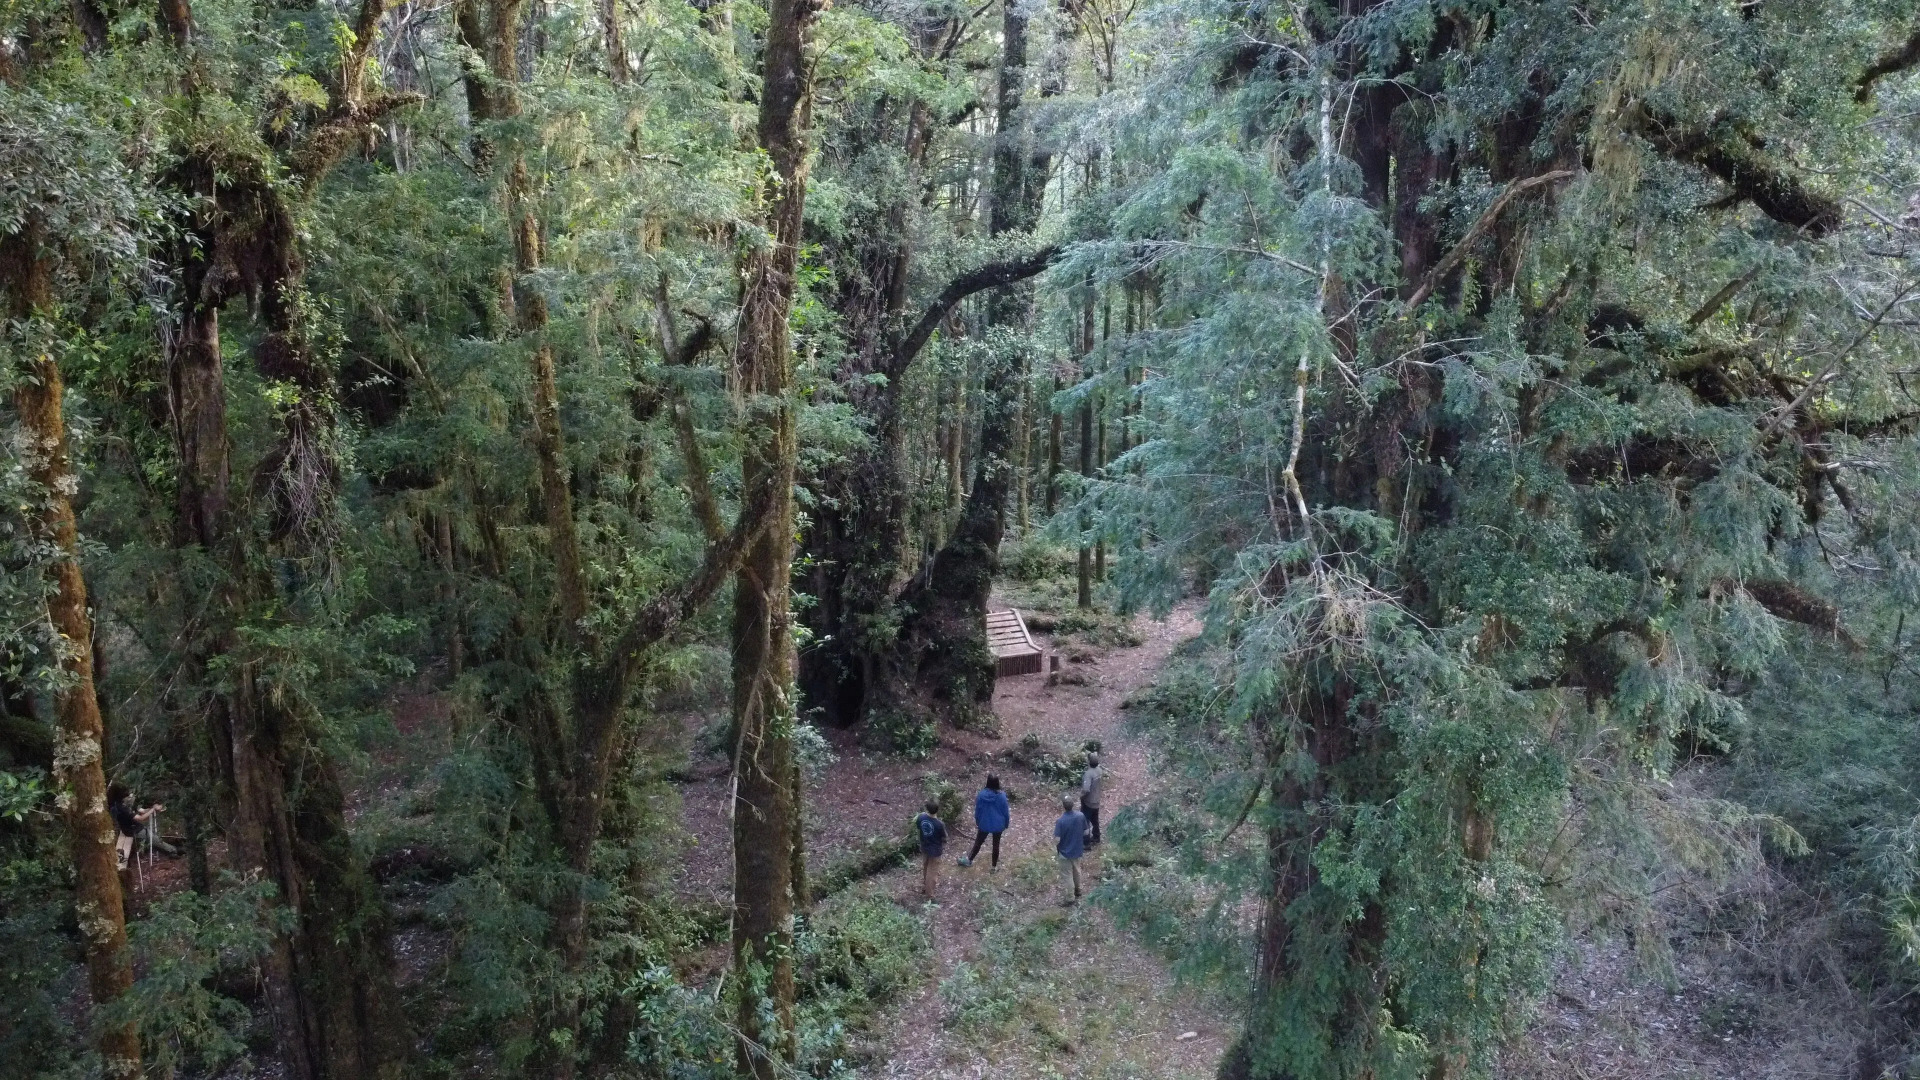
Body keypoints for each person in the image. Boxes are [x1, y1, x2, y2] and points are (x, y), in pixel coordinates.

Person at [106, 783, 163, 880]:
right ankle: (173, 851)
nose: (130, 796)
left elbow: (139, 810)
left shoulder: (115, 804)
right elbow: (140, 818)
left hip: (124, 830)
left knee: (123, 857)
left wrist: (150, 809)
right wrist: (153, 809)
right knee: (156, 841)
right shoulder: (121, 807)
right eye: (127, 795)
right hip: (131, 831)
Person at [958, 773, 1010, 870]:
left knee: (978, 842)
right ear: (997, 783)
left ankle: (969, 860)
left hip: (984, 823)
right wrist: (1006, 823)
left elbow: (978, 810)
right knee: (996, 845)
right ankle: (993, 867)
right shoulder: (1002, 796)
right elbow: (1005, 812)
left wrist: (978, 821)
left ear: (988, 782)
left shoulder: (981, 795)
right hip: (998, 824)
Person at [1054, 793, 1088, 904]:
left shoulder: (1060, 821)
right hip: (1077, 850)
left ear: (1063, 806)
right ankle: (1078, 890)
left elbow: (1057, 840)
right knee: (1077, 871)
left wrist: (1056, 846)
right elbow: (1086, 832)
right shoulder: (1080, 816)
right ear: (1073, 805)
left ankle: (1070, 898)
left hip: (1064, 853)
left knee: (1067, 875)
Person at [915, 799, 947, 898]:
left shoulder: (921, 818)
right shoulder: (939, 824)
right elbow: (944, 837)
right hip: (935, 851)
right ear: (937, 810)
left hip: (924, 847)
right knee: (932, 873)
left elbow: (918, 828)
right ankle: (930, 895)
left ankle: (925, 887)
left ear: (927, 808)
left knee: (926, 867)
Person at [1080, 752, 1104, 847]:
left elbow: (1086, 789)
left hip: (1088, 802)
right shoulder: (1099, 770)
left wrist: (1081, 796)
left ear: (1089, 762)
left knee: (1085, 822)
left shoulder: (1088, 774)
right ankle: (1096, 837)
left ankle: (1086, 843)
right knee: (1095, 820)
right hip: (1097, 800)